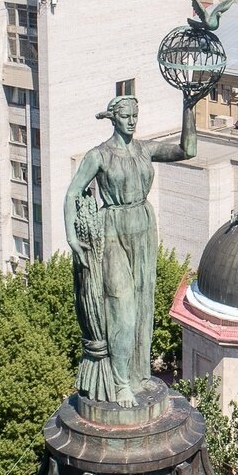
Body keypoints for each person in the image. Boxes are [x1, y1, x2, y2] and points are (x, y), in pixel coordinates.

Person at [64, 92, 197, 407]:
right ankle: (120, 383)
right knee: (121, 309)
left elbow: (187, 150)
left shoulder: (144, 149)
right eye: (126, 115)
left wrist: (188, 107)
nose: (132, 120)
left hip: (144, 227)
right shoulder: (98, 155)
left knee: (141, 308)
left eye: (135, 115)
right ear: (113, 118)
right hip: (113, 229)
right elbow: (72, 194)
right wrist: (72, 238)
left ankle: (137, 375)